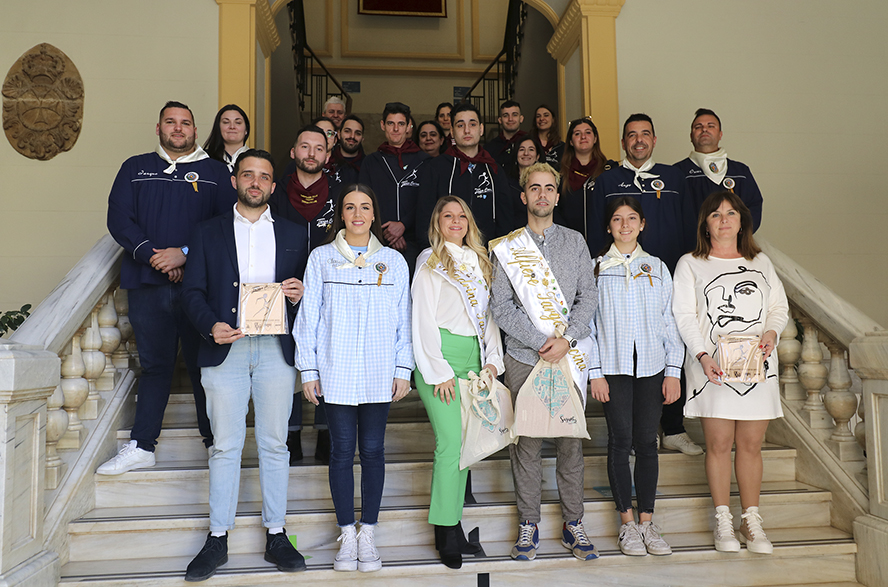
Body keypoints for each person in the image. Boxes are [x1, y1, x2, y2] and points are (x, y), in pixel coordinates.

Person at [180, 149, 308, 580]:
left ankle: (276, 533)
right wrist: (210, 326)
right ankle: (218, 538)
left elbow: (309, 294)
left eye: (264, 177)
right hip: (225, 349)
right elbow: (191, 292)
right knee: (225, 446)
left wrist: (298, 294)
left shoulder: (295, 233)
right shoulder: (206, 232)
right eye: (248, 175)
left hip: (275, 350)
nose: (256, 182)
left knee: (274, 443)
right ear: (235, 180)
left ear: (274, 185)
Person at [101, 100, 235, 475]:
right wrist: (153, 255)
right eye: (171, 122)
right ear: (158, 128)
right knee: (155, 366)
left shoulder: (214, 172)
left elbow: (227, 223)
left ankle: (215, 446)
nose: (179, 128)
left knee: (202, 367)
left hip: (201, 289)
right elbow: (119, 216)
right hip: (147, 284)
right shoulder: (135, 167)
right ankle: (143, 445)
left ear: (196, 131)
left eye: (186, 123)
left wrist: (185, 255)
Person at [294, 184, 413, 573]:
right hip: (336, 371)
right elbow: (308, 318)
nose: (358, 214)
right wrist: (309, 370)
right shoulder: (322, 259)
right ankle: (347, 532)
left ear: (374, 214)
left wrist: (403, 369)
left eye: (365, 206)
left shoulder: (394, 262)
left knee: (374, 451)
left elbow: (403, 322)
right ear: (341, 215)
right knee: (343, 452)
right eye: (350, 207)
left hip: (380, 372)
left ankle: (369, 532)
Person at [489, 162, 599, 562]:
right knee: (528, 444)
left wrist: (566, 340)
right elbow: (500, 306)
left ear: (556, 195)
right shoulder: (507, 247)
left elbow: (589, 295)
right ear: (524, 196)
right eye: (534, 188)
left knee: (571, 442)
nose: (541, 195)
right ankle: (528, 525)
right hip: (523, 356)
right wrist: (541, 342)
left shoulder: (576, 242)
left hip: (569, 356)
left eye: (548, 188)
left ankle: (574, 524)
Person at [673, 190, 788, 555]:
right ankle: (723, 519)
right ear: (705, 224)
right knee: (720, 445)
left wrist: (771, 332)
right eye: (716, 214)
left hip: (757, 368)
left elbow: (778, 308)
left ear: (742, 221)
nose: (724, 219)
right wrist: (703, 355)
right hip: (714, 368)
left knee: (752, 445)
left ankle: (750, 520)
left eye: (731, 213)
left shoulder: (761, 263)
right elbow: (685, 315)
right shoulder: (690, 263)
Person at [593, 113, 701, 456]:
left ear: (654, 140)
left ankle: (672, 427)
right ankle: (643, 432)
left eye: (645, 134)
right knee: (627, 354)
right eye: (631, 135)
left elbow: (688, 225)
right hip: (620, 277)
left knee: (670, 345)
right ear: (623, 142)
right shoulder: (608, 179)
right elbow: (599, 227)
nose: (638, 140)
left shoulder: (673, 177)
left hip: (665, 277)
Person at [412, 196, 505, 569]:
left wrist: (493, 361)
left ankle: (453, 525)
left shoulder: (481, 261)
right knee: (451, 444)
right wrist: (438, 371)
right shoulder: (429, 261)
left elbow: (491, 317)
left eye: (461, 215)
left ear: (469, 221)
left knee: (466, 446)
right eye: (447, 216)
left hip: (474, 357)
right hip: (442, 357)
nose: (455, 221)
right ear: (437, 222)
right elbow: (422, 319)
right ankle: (445, 532)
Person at [587, 196, 683, 557]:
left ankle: (647, 522)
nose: (624, 225)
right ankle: (626, 524)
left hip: (652, 367)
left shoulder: (657, 267)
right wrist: (594, 373)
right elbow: (588, 327)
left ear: (642, 224)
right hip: (612, 368)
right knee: (619, 440)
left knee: (646, 442)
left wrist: (673, 371)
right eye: (617, 219)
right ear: (609, 226)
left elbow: (669, 321)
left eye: (631, 219)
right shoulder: (597, 268)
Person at [269, 124, 342, 463]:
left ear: (327, 155)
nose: (311, 153)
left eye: (319, 147)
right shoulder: (275, 192)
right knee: (288, 364)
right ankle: (292, 433)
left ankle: (326, 432)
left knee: (327, 360)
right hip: (282, 291)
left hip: (332, 291)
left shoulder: (343, 193)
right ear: (293, 153)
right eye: (305, 147)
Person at [417, 102, 514, 248]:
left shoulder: (494, 169)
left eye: (472, 124)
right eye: (460, 125)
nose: (467, 130)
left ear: (481, 129)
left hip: (486, 256)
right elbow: (424, 217)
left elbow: (505, 218)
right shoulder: (436, 168)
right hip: (446, 255)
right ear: (452, 131)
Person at [359, 102, 429, 275]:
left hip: (415, 243)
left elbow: (427, 201)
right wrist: (388, 233)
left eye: (401, 124)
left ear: (409, 126)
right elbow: (364, 200)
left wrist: (403, 225)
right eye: (391, 123)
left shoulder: (425, 161)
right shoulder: (371, 162)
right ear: (383, 125)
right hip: (378, 241)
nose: (396, 129)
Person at [675, 108, 763, 231]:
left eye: (711, 126)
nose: (704, 129)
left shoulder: (741, 172)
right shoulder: (677, 172)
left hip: (733, 245)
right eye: (698, 127)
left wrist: (736, 237)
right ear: (691, 136)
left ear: (720, 134)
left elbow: (753, 207)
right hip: (693, 247)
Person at [555, 117, 617, 241]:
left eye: (588, 132)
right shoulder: (558, 173)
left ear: (595, 139)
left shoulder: (609, 170)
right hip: (569, 242)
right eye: (577, 134)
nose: (583, 137)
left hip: (604, 243)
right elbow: (555, 211)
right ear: (571, 141)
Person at [505, 135, 542, 223]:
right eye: (521, 149)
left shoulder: (545, 181)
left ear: (537, 156)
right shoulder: (506, 183)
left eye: (531, 149)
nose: (526, 153)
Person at [202, 104, 250, 172]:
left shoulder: (257, 159)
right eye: (226, 122)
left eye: (238, 123)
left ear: (246, 130)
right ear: (218, 128)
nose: (232, 127)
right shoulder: (204, 158)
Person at [484, 100, 528, 168]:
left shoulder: (530, 143)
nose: (510, 119)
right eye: (506, 115)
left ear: (521, 119)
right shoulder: (490, 147)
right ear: (500, 120)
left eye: (515, 115)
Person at [329, 114, 365, 186]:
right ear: (339, 134)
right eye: (347, 131)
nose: (352, 136)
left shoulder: (368, 165)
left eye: (357, 133)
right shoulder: (328, 162)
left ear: (362, 139)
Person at [530, 104, 564, 168]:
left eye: (546, 115)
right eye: (538, 116)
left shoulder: (561, 147)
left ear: (553, 119)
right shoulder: (529, 143)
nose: (542, 119)